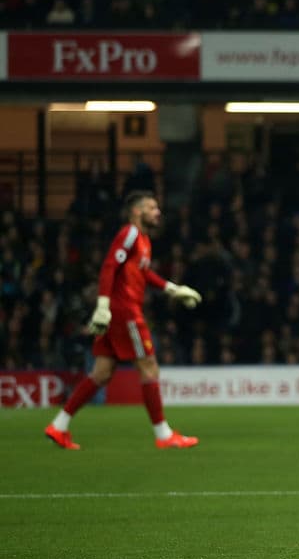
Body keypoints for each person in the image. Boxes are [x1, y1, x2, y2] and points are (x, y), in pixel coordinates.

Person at [44, 191, 203, 450]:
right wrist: (103, 305)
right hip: (125, 311)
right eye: (152, 208)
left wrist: (173, 289)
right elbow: (109, 266)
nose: (158, 212)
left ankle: (59, 426)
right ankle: (164, 435)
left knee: (102, 373)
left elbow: (144, 274)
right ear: (137, 211)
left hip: (119, 311)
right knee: (149, 367)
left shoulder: (143, 241)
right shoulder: (129, 233)